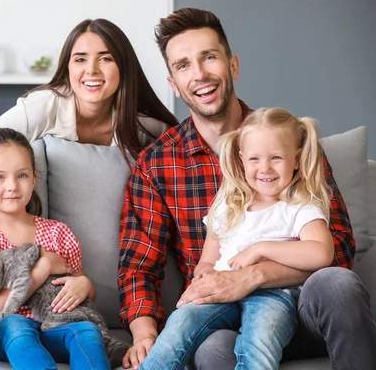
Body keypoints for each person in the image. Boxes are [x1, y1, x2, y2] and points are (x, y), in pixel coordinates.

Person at [118, 7, 376, 370]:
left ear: (233, 65)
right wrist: (145, 337)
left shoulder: (290, 145)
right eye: (184, 65)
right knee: (213, 351)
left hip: (297, 307)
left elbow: (337, 251)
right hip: (221, 316)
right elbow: (139, 268)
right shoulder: (157, 165)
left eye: (209, 57)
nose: (200, 74)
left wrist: (255, 273)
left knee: (339, 285)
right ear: (173, 84)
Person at [0, 18, 178, 228]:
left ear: (124, 67)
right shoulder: (43, 106)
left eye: (106, 59)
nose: (91, 70)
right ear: (68, 66)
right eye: (80, 59)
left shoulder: (144, 125)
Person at [140, 107, 335, 369]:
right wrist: (205, 273)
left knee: (259, 339)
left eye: (276, 157)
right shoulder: (228, 205)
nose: (265, 168)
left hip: (274, 295)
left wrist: (260, 248)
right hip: (222, 290)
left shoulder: (300, 206)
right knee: (181, 323)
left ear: (297, 159)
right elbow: (207, 260)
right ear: (241, 159)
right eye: (255, 159)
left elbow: (321, 254)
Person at [0, 127, 111, 369]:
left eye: (22, 176)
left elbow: (79, 285)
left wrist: (86, 286)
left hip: (51, 325)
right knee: (16, 324)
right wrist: (44, 266)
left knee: (87, 331)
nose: (12, 186)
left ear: (34, 178)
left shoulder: (59, 232)